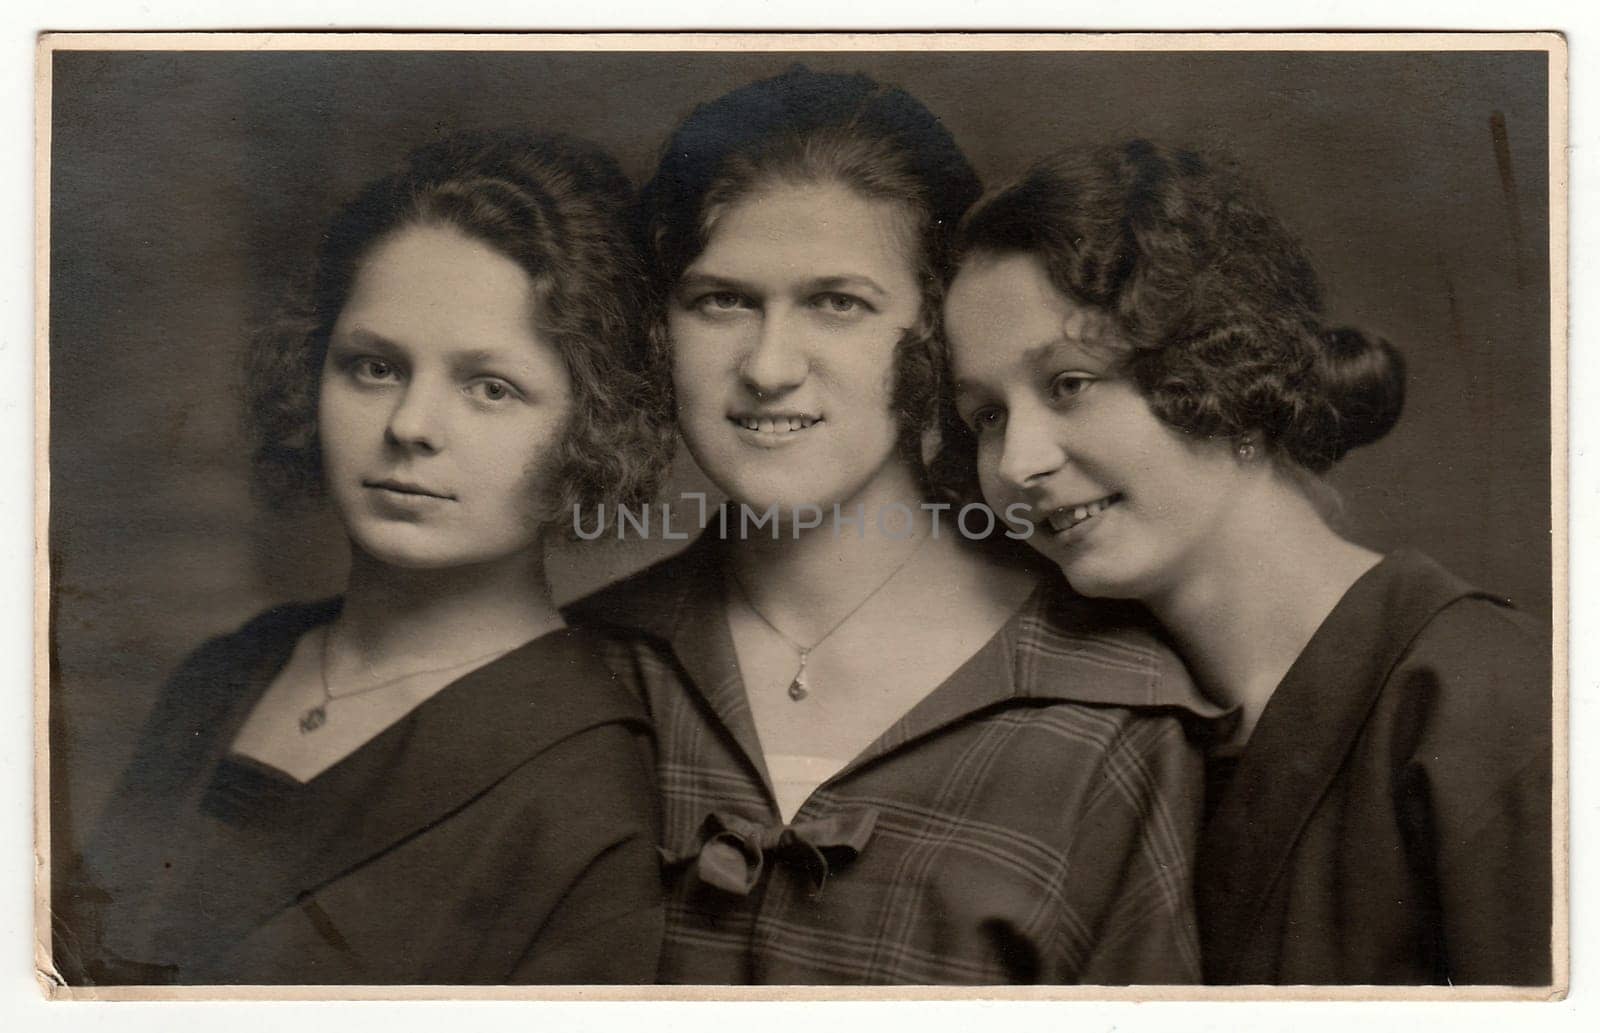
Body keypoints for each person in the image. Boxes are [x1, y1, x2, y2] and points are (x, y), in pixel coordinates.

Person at [571, 67, 1221, 985]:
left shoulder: (1114, 707)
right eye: (722, 299)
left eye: (838, 303)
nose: (768, 366)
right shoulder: (581, 671)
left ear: (935, 331)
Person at [54, 130, 673, 985]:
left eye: (489, 386)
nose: (410, 425)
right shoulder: (228, 672)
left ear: (591, 424)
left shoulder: (580, 780)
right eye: (374, 367)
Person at [940, 138, 1553, 985]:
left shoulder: (1494, 694)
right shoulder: (1114, 733)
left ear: (1221, 371)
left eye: (1070, 382)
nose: (1018, 463)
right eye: (987, 417)